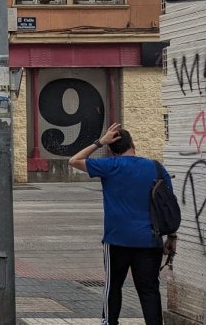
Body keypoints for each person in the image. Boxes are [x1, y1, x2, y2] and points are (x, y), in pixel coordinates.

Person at [69, 123, 176, 325]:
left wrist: (99, 141)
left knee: (113, 285)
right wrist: (172, 236)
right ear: (133, 144)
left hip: (117, 239)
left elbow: (74, 160)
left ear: (110, 149)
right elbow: (168, 205)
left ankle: (109, 322)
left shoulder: (110, 166)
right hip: (150, 239)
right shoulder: (155, 167)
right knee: (149, 290)